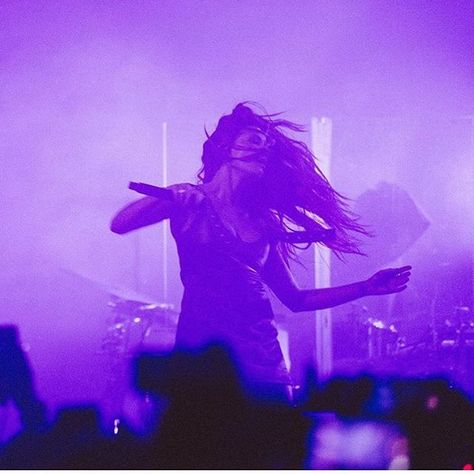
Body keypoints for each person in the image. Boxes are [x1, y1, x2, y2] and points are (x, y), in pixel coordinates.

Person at [110, 103, 411, 403]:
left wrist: (366, 287)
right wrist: (172, 196)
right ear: (226, 146)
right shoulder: (190, 200)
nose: (264, 150)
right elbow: (120, 224)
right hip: (204, 355)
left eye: (268, 146)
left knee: (271, 446)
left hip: (262, 359)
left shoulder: (262, 222)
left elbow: (296, 299)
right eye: (255, 139)